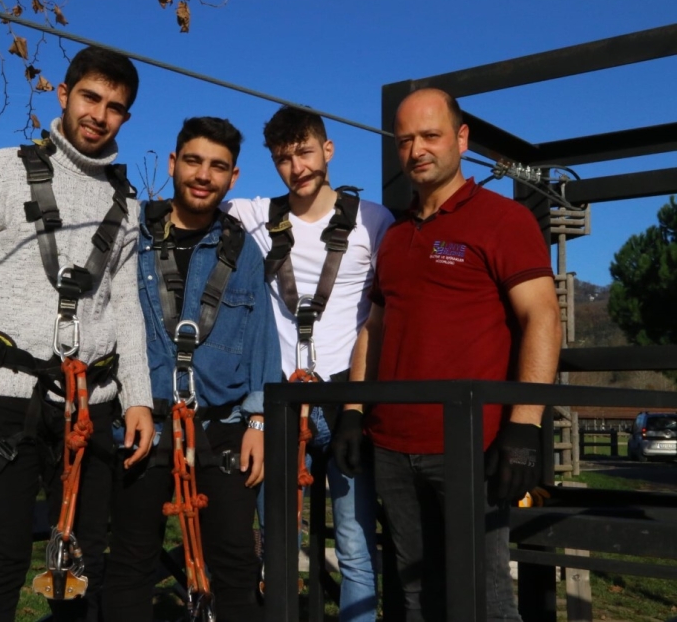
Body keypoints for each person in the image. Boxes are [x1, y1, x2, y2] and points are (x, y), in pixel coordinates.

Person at [0, 46, 154, 622]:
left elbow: (127, 308)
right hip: (5, 397)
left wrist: (139, 399)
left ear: (126, 117)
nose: (99, 115)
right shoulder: (2, 169)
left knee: (81, 568)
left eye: (115, 107)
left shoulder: (127, 202)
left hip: (90, 404)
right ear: (64, 94)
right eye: (90, 98)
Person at [333, 87, 562, 621]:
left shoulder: (503, 219)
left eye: (430, 136)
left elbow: (543, 318)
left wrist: (525, 426)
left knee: (483, 598)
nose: (416, 150)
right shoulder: (395, 235)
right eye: (405, 140)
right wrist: (353, 410)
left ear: (461, 139)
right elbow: (375, 327)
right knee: (415, 596)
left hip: (468, 446)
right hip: (392, 448)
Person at [101, 117, 281, 622]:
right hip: (143, 421)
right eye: (194, 161)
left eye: (218, 167)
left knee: (236, 566)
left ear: (233, 177)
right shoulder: (130, 234)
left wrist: (259, 422)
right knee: (131, 563)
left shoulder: (243, 250)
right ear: (172, 164)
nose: (204, 175)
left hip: (222, 430)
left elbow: (263, 340)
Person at [224, 106, 394, 621]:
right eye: (283, 158)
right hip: (282, 401)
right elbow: (188, 208)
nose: (297, 167)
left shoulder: (373, 221)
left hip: (346, 399)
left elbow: (392, 307)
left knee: (354, 544)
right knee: (276, 543)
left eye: (305, 152)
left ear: (328, 150)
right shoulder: (252, 215)